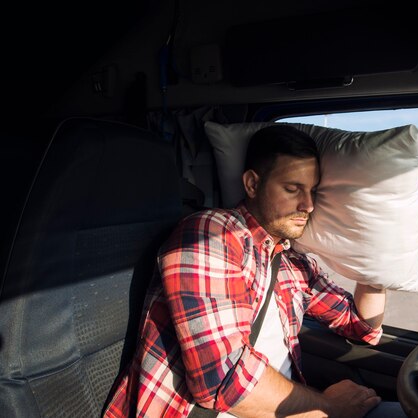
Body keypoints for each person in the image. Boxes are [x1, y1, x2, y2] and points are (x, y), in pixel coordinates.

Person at [104, 125, 399, 418]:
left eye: (312, 191)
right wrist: (329, 407)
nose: (308, 205)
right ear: (252, 184)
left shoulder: (295, 264)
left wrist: (374, 257)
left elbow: (362, 325)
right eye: (292, 189)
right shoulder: (212, 234)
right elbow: (222, 382)